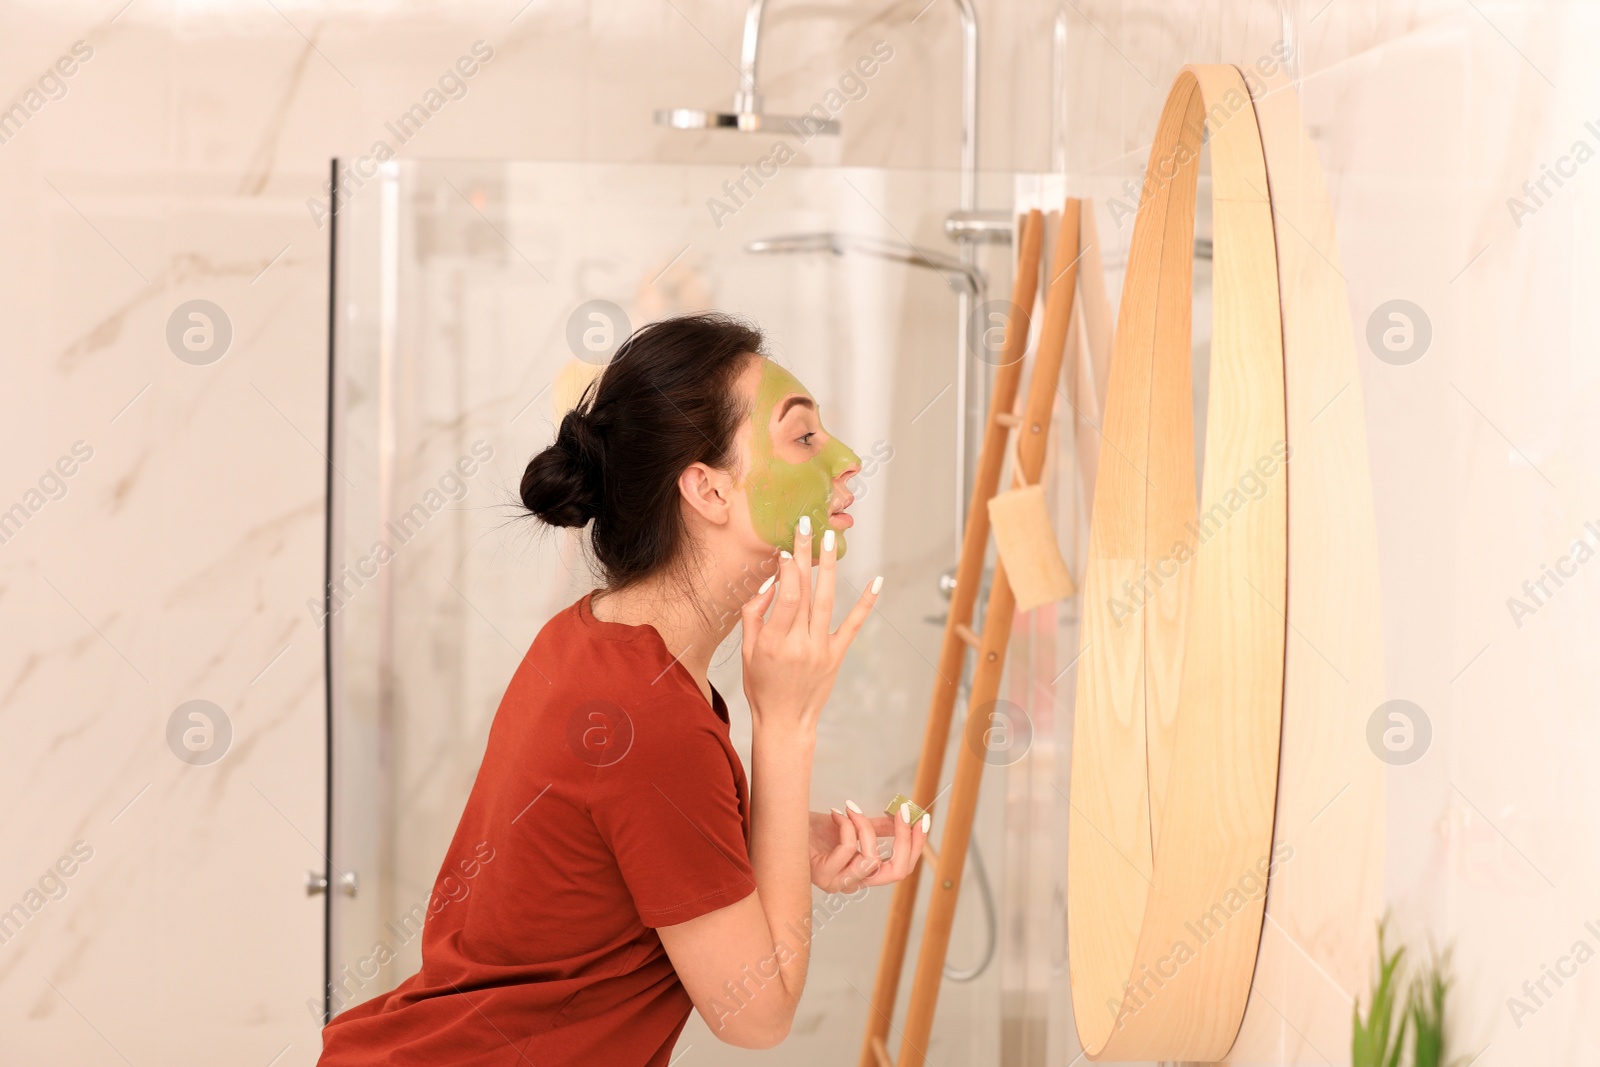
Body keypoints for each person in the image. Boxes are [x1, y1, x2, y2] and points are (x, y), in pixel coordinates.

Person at [318, 312, 930, 1066]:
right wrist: (787, 725)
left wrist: (791, 838)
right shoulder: (651, 715)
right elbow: (758, 1015)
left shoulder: (591, 642)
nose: (846, 459)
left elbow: (622, 848)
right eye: (803, 435)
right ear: (707, 489)